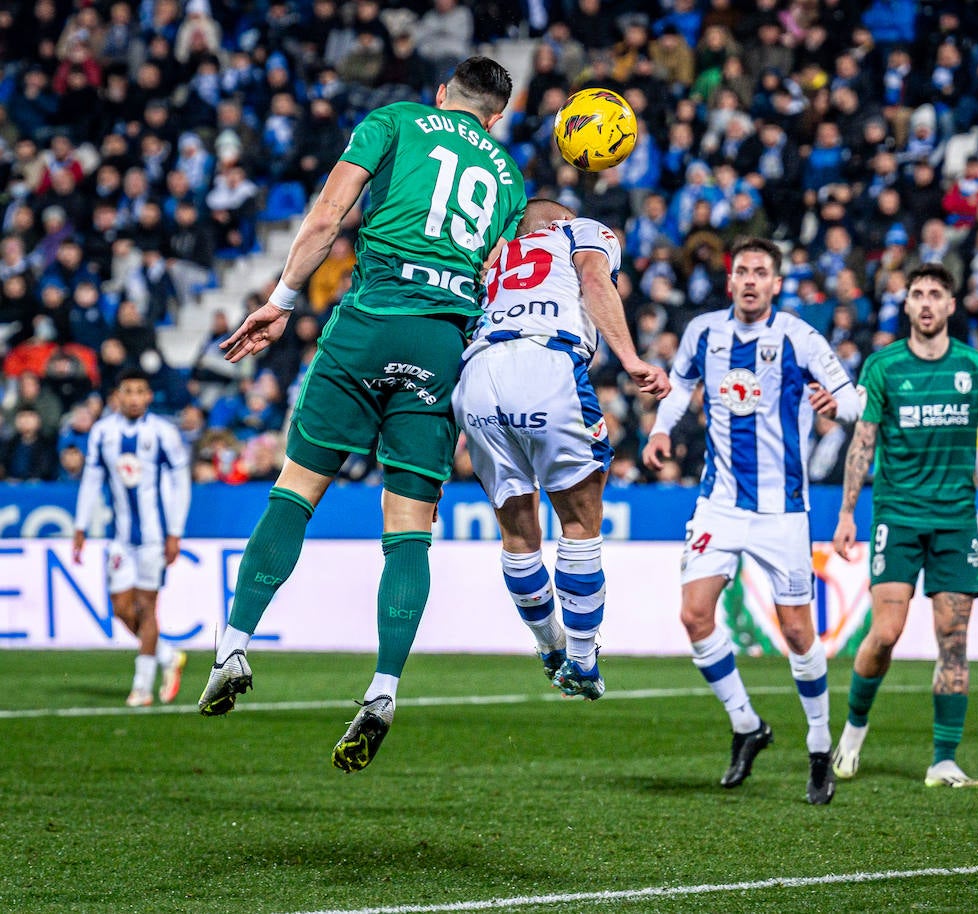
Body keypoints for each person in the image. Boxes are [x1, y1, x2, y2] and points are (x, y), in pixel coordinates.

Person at [196, 57, 528, 774]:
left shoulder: (395, 121)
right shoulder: (507, 176)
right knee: (408, 527)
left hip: (371, 319)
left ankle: (232, 646)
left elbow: (327, 216)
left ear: (442, 94)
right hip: (441, 342)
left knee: (297, 489)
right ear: (496, 115)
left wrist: (281, 302)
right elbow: (497, 281)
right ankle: (382, 691)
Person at [642, 236, 862, 805]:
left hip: (782, 511)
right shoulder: (703, 332)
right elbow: (681, 385)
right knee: (694, 615)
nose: (749, 281)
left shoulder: (798, 337)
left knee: (796, 632)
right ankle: (747, 725)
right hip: (720, 502)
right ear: (729, 279)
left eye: (760, 273)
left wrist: (837, 406)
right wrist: (663, 428)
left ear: (777, 284)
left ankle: (819, 749)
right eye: (741, 271)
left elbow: (854, 398)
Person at [455, 199, 670, 699]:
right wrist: (631, 358)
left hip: (479, 372)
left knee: (517, 529)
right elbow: (595, 281)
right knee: (579, 523)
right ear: (559, 222)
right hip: (546, 360)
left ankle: (548, 646)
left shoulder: (494, 254)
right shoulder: (578, 232)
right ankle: (580, 658)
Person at [829, 263, 978, 789]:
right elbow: (863, 442)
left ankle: (943, 759)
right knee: (886, 633)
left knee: (953, 640)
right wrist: (848, 513)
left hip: (956, 521)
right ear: (907, 304)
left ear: (950, 306)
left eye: (936, 294)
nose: (925, 302)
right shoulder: (883, 365)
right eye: (917, 294)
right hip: (896, 514)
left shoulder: (974, 367)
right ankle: (852, 731)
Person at [73, 369, 191, 707]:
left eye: (141, 391)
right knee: (121, 609)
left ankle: (142, 687)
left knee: (146, 606)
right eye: (129, 391)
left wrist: (175, 532)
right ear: (118, 396)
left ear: (149, 396)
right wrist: (80, 526)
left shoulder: (163, 433)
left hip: (155, 536)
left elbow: (181, 484)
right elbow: (92, 479)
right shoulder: (102, 432)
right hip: (121, 537)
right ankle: (168, 656)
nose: (135, 398)